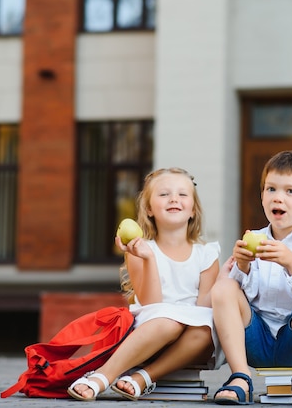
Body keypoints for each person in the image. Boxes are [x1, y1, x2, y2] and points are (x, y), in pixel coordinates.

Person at [68, 167, 224, 401]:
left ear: (193, 209)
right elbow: (152, 304)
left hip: (190, 343)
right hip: (151, 330)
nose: (174, 199)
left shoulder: (207, 254)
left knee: (205, 330)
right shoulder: (140, 249)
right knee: (169, 323)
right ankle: (103, 376)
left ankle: (142, 378)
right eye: (164, 194)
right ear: (149, 209)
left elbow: (203, 309)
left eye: (183, 194)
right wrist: (148, 258)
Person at [212, 150, 292, 406]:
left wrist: (291, 262)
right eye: (271, 189)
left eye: (290, 191)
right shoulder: (255, 237)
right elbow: (246, 296)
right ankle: (240, 376)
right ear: (262, 196)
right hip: (256, 338)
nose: (278, 197)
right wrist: (243, 265)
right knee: (224, 287)